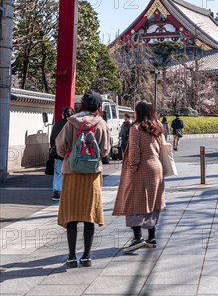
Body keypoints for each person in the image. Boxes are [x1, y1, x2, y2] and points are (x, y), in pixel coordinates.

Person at [56, 90, 110, 268]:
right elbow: (105, 150)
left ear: (82, 105)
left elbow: (60, 147)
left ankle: (71, 257)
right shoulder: (101, 124)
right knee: (89, 216)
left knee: (71, 215)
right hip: (92, 175)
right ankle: (86, 256)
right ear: (99, 107)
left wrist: (70, 156)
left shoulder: (70, 123)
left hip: (71, 173)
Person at [113, 100, 165, 252]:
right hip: (156, 168)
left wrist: (131, 168)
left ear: (138, 112)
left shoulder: (135, 128)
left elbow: (134, 152)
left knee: (134, 201)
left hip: (141, 168)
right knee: (153, 202)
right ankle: (152, 237)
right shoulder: (157, 127)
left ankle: (137, 238)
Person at [50, 106, 74, 201]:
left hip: (58, 151)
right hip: (70, 152)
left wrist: (53, 148)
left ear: (63, 114)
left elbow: (52, 138)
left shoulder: (58, 124)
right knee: (70, 171)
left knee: (58, 171)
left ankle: (56, 191)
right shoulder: (73, 124)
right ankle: (68, 191)